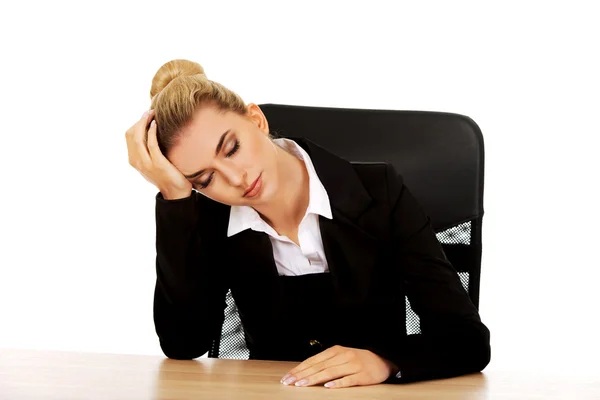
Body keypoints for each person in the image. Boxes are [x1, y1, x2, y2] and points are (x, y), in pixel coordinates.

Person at [125, 59, 491, 388]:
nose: (235, 179)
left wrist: (385, 360)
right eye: (205, 179)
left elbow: (467, 341)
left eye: (232, 148)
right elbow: (182, 343)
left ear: (256, 119)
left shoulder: (379, 192)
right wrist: (175, 197)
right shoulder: (207, 219)